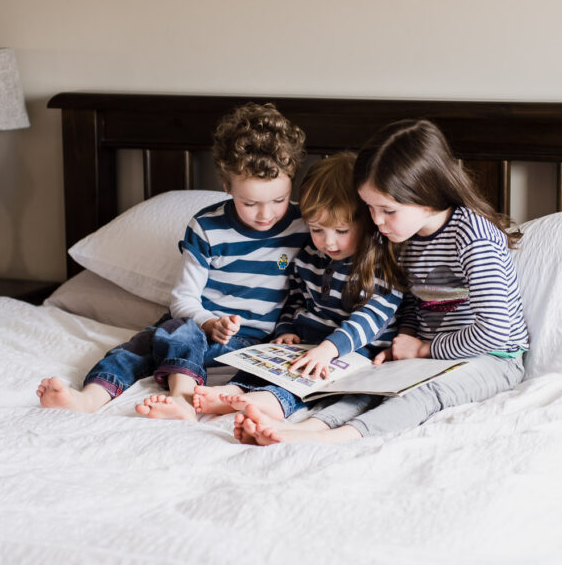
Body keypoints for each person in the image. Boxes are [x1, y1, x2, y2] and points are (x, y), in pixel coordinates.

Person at [236, 118, 528, 444]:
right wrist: (404, 341)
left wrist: (424, 348)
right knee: (368, 383)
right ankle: (312, 427)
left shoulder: (473, 238)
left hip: (492, 358)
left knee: (423, 394)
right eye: (370, 208)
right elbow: (418, 302)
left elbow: (495, 331)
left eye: (386, 210)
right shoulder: (407, 237)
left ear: (425, 195)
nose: (376, 221)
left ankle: (339, 438)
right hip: (427, 356)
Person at [36, 102, 309, 417]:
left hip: (258, 345)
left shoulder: (304, 226)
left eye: (279, 199)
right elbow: (183, 298)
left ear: (291, 181)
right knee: (141, 345)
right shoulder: (207, 227)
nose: (266, 214)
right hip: (198, 333)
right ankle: (89, 398)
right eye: (250, 203)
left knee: (267, 366)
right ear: (226, 187)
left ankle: (185, 399)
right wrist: (209, 322)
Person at [141, 152, 403, 422]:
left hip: (353, 349)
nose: (328, 242)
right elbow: (296, 299)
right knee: (271, 365)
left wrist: (329, 348)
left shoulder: (380, 267)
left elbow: (371, 317)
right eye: (317, 230)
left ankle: (268, 402)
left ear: (367, 221)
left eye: (341, 231)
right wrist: (286, 329)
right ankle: (232, 392)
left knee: (306, 379)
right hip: (308, 343)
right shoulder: (310, 258)